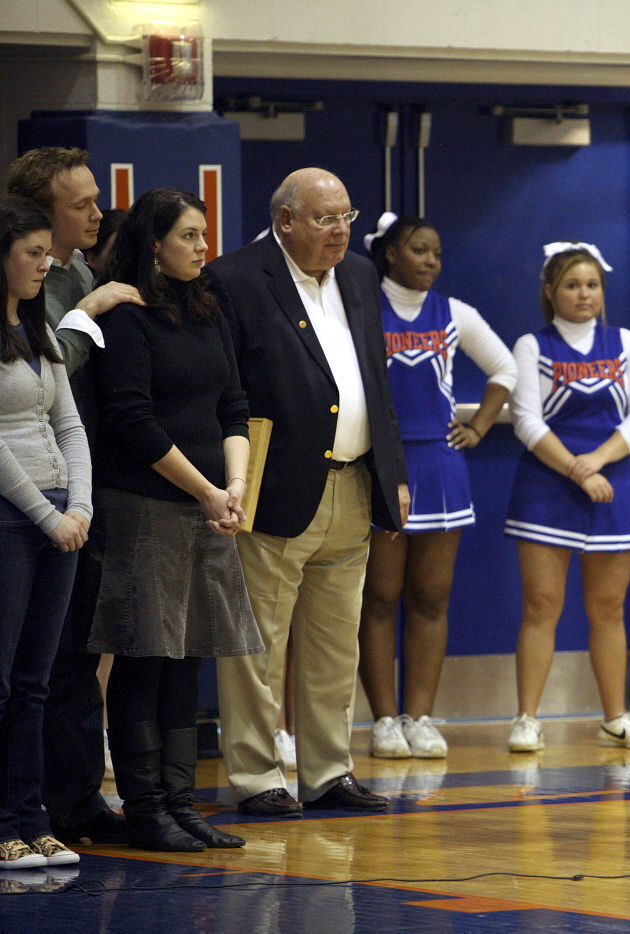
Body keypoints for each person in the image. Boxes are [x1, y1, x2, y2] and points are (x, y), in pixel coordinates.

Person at [205, 168, 410, 817]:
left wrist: (395, 471)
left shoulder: (357, 276)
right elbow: (226, 393)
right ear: (286, 219)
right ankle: (258, 775)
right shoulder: (236, 279)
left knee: (334, 641)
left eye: (347, 216)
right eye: (325, 218)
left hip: (353, 483)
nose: (340, 230)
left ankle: (328, 771)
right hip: (276, 487)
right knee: (258, 642)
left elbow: (376, 382)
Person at [88, 188, 263, 852]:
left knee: (189, 656)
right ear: (154, 243)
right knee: (146, 656)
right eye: (188, 236)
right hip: (145, 506)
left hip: (208, 506)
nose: (201, 247)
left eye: (204, 234)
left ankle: (183, 802)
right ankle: (146, 805)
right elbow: (132, 419)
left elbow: (234, 406)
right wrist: (204, 490)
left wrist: (234, 486)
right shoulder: (129, 315)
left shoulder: (208, 309)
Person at [6, 146, 140, 847]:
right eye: (80, 203)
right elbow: (42, 373)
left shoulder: (78, 273)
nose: (96, 213)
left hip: (77, 488)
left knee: (71, 657)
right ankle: (29, 809)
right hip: (23, 499)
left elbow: (73, 413)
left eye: (96, 199)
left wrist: (81, 502)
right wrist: (90, 309)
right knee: (27, 667)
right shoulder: (53, 287)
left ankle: (70, 801)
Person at [359, 213, 517, 758]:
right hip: (380, 464)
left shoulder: (455, 313)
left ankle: (419, 716)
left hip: (441, 468)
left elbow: (506, 369)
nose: (431, 261)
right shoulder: (361, 307)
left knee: (431, 597)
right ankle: (382, 721)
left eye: (437, 253)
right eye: (419, 249)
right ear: (392, 254)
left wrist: (477, 424)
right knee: (378, 597)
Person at [503, 242, 630, 753]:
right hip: (547, 489)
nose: (583, 294)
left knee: (609, 608)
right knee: (541, 605)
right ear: (551, 292)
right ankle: (527, 718)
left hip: (612, 487)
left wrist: (596, 462)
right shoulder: (532, 345)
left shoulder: (625, 343)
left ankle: (615, 717)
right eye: (572, 285)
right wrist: (575, 467)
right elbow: (526, 419)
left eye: (592, 284)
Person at [0, 196, 89, 870]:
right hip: (14, 517)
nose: (45, 264)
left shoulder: (41, 328)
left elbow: (70, 425)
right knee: (3, 680)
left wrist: (79, 506)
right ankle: (6, 823)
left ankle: (33, 818)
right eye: (32, 253)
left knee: (37, 679)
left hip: (60, 514)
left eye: (44, 253)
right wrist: (46, 515)